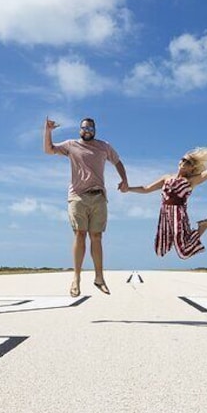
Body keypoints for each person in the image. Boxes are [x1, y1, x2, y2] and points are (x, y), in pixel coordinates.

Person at [44, 116, 129, 297]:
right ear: (79, 129)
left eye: (90, 128)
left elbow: (118, 161)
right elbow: (49, 150)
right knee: (80, 234)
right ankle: (76, 278)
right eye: (84, 128)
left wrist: (124, 180)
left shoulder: (104, 146)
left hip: (98, 196)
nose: (87, 131)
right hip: (77, 197)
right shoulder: (71, 145)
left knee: (96, 236)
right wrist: (48, 131)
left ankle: (99, 278)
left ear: (95, 130)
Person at [124, 147, 207, 259]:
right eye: (183, 159)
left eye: (188, 162)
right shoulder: (167, 178)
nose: (183, 162)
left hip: (178, 214)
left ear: (192, 167)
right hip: (164, 215)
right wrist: (128, 188)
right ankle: (199, 229)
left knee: (183, 252)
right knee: (160, 250)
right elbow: (146, 188)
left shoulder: (191, 180)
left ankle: (202, 227)